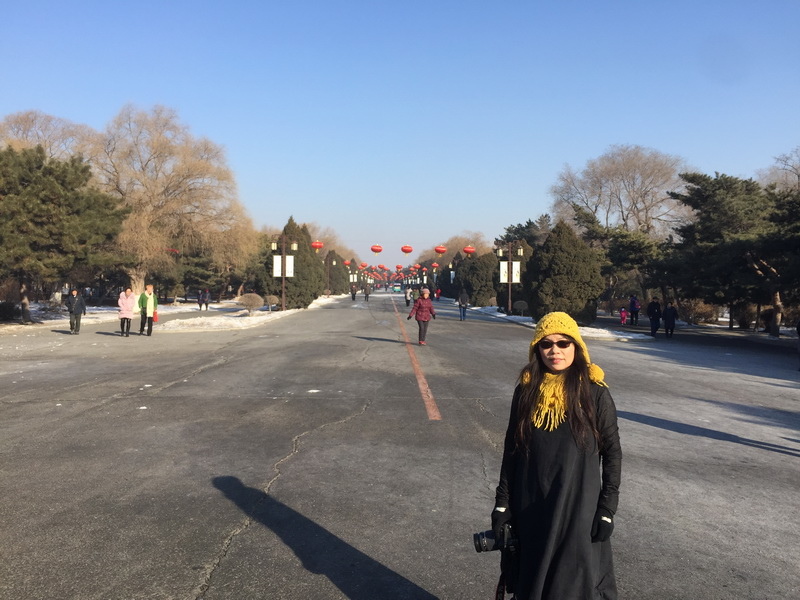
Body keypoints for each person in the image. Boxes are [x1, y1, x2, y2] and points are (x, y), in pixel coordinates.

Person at [492, 312, 621, 600]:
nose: (555, 351)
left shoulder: (594, 392)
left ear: (577, 346)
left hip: (578, 509)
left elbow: (612, 453)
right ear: (537, 349)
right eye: (546, 344)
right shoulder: (526, 390)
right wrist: (502, 503)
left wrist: (607, 508)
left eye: (564, 343)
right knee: (532, 583)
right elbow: (512, 449)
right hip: (531, 507)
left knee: (573, 586)